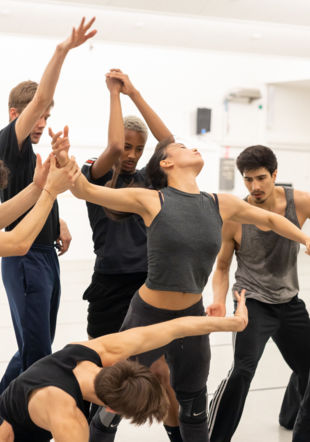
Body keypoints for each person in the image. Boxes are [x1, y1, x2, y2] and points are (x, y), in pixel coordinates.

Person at [51, 123, 310, 442]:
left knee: (194, 406)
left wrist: (304, 238)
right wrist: (66, 164)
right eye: (184, 147)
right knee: (113, 401)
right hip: (146, 317)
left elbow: (270, 219)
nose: (194, 148)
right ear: (166, 162)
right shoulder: (151, 200)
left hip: (191, 319)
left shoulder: (220, 203)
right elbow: (86, 191)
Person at [80, 70, 181, 440]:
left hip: (147, 288)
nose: (133, 155)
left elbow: (168, 141)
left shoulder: (148, 180)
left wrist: (135, 91)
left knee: (160, 372)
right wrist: (114, 95)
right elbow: (112, 148)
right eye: (129, 147)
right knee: (107, 375)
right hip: (108, 289)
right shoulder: (95, 174)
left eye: (139, 149)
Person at [0, 292, 248, 442]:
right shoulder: (69, 419)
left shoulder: (101, 351)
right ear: (110, 407)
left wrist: (233, 324)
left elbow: (175, 328)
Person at [0, 17, 97, 393]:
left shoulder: (31, 155)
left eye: (48, 116)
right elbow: (40, 97)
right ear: (16, 115)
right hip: (24, 259)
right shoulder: (10, 141)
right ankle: (22, 421)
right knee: (38, 353)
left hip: (44, 255)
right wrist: (62, 50)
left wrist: (59, 223)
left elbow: (42, 192)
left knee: (34, 350)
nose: (43, 121)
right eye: (38, 115)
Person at [207, 145, 310, 442]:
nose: (255, 186)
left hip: (289, 301)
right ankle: (215, 437)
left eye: (261, 178)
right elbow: (223, 266)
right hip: (250, 303)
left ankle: (293, 421)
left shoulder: (299, 202)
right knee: (241, 372)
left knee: (308, 365)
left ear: (275, 174)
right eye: (248, 179)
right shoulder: (235, 215)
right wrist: (217, 299)